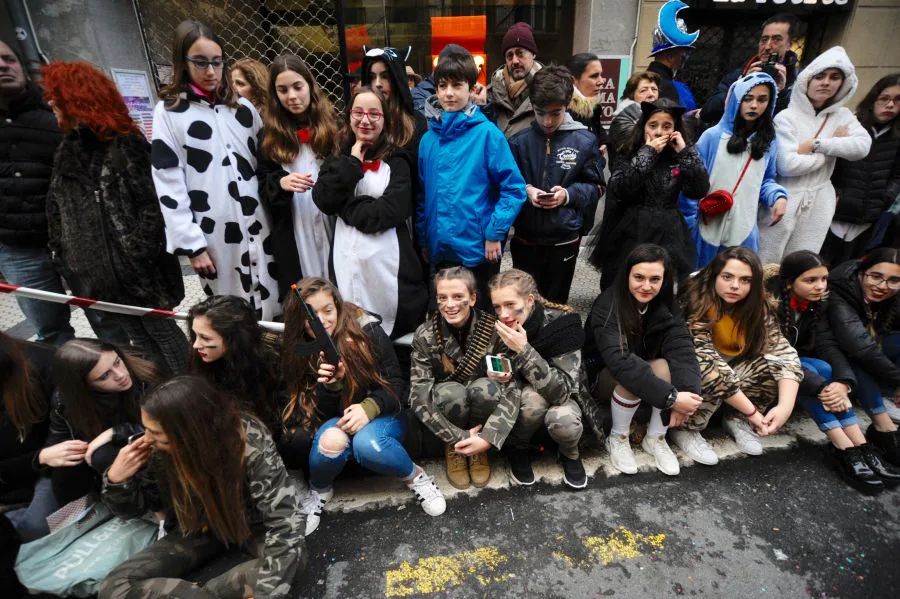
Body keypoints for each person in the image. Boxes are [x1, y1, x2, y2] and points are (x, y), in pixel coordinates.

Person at [97, 375, 305, 599]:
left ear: (189, 431)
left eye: (155, 432)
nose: (146, 439)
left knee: (293, 560)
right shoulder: (159, 451)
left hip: (251, 526)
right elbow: (138, 509)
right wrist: (117, 481)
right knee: (113, 587)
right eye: (145, 428)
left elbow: (285, 523)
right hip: (199, 528)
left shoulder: (247, 440)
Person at [42, 62, 188, 374]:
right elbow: (56, 208)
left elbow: (154, 205)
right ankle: (161, 394)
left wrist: (137, 251)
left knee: (162, 331)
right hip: (99, 276)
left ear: (78, 99)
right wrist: (65, 254)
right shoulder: (67, 151)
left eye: (58, 97)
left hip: (140, 274)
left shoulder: (127, 145)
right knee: (135, 339)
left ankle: (193, 389)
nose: (52, 104)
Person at [281, 278, 445, 535]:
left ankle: (416, 477)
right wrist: (333, 387)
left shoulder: (366, 330)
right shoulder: (298, 349)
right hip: (338, 419)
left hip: (384, 415)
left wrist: (368, 408)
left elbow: (396, 383)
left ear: (337, 306)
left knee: (368, 444)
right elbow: (317, 415)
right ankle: (320, 490)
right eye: (311, 314)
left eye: (328, 310)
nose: (322, 320)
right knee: (331, 441)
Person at [151, 20, 280, 320]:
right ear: (183, 63)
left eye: (217, 62)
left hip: (261, 224)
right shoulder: (169, 112)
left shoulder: (242, 109)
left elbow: (266, 162)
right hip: (215, 233)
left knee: (272, 300)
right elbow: (168, 180)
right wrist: (192, 244)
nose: (210, 71)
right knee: (228, 310)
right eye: (200, 62)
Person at [769, 251, 899, 493]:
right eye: (811, 280)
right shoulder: (769, 302)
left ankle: (859, 445)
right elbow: (774, 354)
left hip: (795, 366)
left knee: (826, 368)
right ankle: (843, 447)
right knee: (814, 370)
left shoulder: (818, 303)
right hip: (765, 368)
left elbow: (827, 344)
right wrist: (822, 387)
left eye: (824, 279)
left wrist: (843, 382)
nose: (820, 287)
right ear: (789, 283)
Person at [312, 87, 427, 339]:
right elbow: (324, 199)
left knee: (390, 330)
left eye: (374, 114)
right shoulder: (337, 159)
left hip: (389, 265)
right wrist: (352, 163)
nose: (365, 120)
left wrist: (346, 207)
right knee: (353, 327)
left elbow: (389, 212)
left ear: (385, 120)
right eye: (359, 112)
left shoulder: (397, 161)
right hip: (346, 260)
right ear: (349, 116)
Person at [417, 48, 526, 309]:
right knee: (446, 314)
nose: (449, 93)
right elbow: (424, 194)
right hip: (440, 249)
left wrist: (495, 232)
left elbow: (513, 188)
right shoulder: (428, 139)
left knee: (480, 319)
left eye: (457, 85)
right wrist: (424, 238)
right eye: (442, 86)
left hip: (477, 250)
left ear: (471, 88)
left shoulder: (488, 134)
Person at [672, 247, 801, 465]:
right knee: (711, 371)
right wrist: (753, 413)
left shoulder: (756, 304)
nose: (735, 286)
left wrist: (785, 407)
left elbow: (782, 350)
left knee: (772, 364)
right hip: (689, 373)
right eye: (727, 277)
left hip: (731, 371)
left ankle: (736, 419)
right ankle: (688, 428)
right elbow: (706, 362)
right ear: (714, 275)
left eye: (745, 280)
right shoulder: (694, 297)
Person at [582, 244, 703, 476]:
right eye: (639, 277)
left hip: (643, 370)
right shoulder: (607, 305)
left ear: (664, 280)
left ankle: (656, 438)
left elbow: (682, 348)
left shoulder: (666, 304)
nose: (646, 286)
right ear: (627, 274)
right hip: (602, 376)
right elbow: (619, 361)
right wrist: (672, 398)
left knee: (664, 366)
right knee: (634, 373)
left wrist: (687, 393)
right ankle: (618, 436)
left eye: (655, 279)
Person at [758, 46, 871, 264]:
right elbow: (787, 164)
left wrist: (817, 145)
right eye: (820, 76)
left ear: (843, 83)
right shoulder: (787, 118)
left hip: (820, 199)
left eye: (834, 77)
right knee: (767, 260)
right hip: (786, 196)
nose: (826, 83)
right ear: (807, 79)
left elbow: (861, 147)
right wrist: (834, 151)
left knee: (802, 261)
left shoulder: (843, 116)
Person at [409, 267, 519, 490]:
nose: (450, 305)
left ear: (472, 298)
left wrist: (488, 437)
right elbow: (418, 396)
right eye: (442, 298)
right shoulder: (425, 334)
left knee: (486, 388)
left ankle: (480, 450)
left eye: (458, 296)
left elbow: (513, 387)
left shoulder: (493, 328)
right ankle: (455, 448)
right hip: (449, 410)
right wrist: (456, 436)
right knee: (451, 392)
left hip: (483, 410)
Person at [588, 100, 709, 290]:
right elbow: (619, 187)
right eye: (653, 125)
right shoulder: (629, 151)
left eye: (666, 126)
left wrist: (686, 152)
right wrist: (648, 152)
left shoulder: (679, 155)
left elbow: (698, 189)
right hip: (631, 226)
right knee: (622, 281)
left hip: (668, 228)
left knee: (660, 283)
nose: (659, 132)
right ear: (644, 127)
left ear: (675, 130)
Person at [507, 65, 603, 304]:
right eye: (540, 113)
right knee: (524, 303)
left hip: (564, 239)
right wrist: (525, 190)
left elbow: (597, 186)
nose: (547, 121)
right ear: (532, 106)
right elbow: (506, 184)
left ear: (568, 105)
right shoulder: (518, 142)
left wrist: (568, 195)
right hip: (525, 238)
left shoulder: (585, 140)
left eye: (555, 113)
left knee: (557, 303)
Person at [0, 40, 73, 346]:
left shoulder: (56, 114)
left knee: (109, 318)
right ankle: (70, 390)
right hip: (18, 247)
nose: (4, 66)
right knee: (50, 331)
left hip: (74, 242)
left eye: (9, 59)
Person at [488, 269, 588, 489]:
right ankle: (518, 447)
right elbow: (500, 367)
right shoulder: (498, 327)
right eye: (497, 306)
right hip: (525, 395)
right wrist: (500, 376)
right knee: (533, 400)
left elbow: (562, 392)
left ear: (530, 300)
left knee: (565, 421)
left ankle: (570, 453)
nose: (503, 314)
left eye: (510, 304)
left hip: (565, 394)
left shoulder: (565, 324)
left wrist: (524, 350)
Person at [681, 72, 788, 268]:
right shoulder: (712, 137)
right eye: (748, 99)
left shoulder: (769, 141)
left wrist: (778, 196)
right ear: (736, 100)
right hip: (706, 225)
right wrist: (689, 220)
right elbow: (691, 178)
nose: (754, 105)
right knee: (699, 282)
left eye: (762, 99)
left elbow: (766, 180)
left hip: (743, 229)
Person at [257, 54, 339, 297]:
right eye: (282, 90)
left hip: (330, 221)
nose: (292, 96)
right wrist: (280, 182)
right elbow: (260, 182)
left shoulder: (333, 126)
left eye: (297, 87)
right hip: (295, 225)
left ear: (310, 86)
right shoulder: (268, 136)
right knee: (304, 288)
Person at [45, 339, 162, 506]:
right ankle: (78, 518)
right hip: (101, 468)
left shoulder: (146, 374)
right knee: (70, 460)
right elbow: (59, 440)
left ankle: (155, 507)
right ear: (85, 386)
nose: (120, 374)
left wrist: (115, 432)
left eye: (117, 362)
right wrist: (43, 457)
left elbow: (171, 420)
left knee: (100, 455)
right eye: (104, 376)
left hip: (153, 446)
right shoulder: (65, 402)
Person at [827, 248, 900, 464]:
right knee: (857, 355)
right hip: (834, 353)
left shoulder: (894, 291)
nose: (882, 287)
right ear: (862, 272)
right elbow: (859, 346)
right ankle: (883, 424)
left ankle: (887, 399)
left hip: (868, 346)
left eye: (893, 280)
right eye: (876, 277)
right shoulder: (840, 287)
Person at [821, 73, 900, 263]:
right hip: (834, 214)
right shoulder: (851, 126)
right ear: (873, 99)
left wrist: (884, 199)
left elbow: (897, 176)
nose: (890, 105)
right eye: (885, 98)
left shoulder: (897, 137)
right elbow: (830, 167)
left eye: (897, 100)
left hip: (867, 219)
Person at [187, 295, 282, 437]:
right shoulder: (200, 357)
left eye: (205, 338)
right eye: (195, 335)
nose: (196, 345)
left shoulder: (271, 359)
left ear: (234, 339)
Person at [0, 332, 60, 541]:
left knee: (33, 528)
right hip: (19, 470)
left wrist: (41, 459)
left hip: (53, 467)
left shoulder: (40, 364)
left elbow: (64, 436)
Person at [701, 13, 799, 129]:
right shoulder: (739, 74)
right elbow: (707, 113)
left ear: (789, 44)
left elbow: (792, 125)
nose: (767, 46)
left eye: (776, 40)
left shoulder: (798, 82)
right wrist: (740, 86)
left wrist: (780, 95)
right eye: (764, 39)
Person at [361, 46, 428, 159]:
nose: (377, 83)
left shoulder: (416, 122)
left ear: (398, 79)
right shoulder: (359, 120)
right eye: (372, 77)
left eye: (385, 76)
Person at [487, 22, 542, 137]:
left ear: (533, 54)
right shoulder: (490, 94)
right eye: (509, 56)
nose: (515, 61)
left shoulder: (551, 90)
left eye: (520, 53)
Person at [646, 2, 698, 106]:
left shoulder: (640, 82)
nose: (683, 59)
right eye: (681, 55)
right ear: (670, 57)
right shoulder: (667, 87)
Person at [607, 71, 661, 168]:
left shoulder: (654, 114)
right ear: (632, 95)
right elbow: (632, 150)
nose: (651, 94)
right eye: (643, 90)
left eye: (654, 89)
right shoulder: (623, 118)